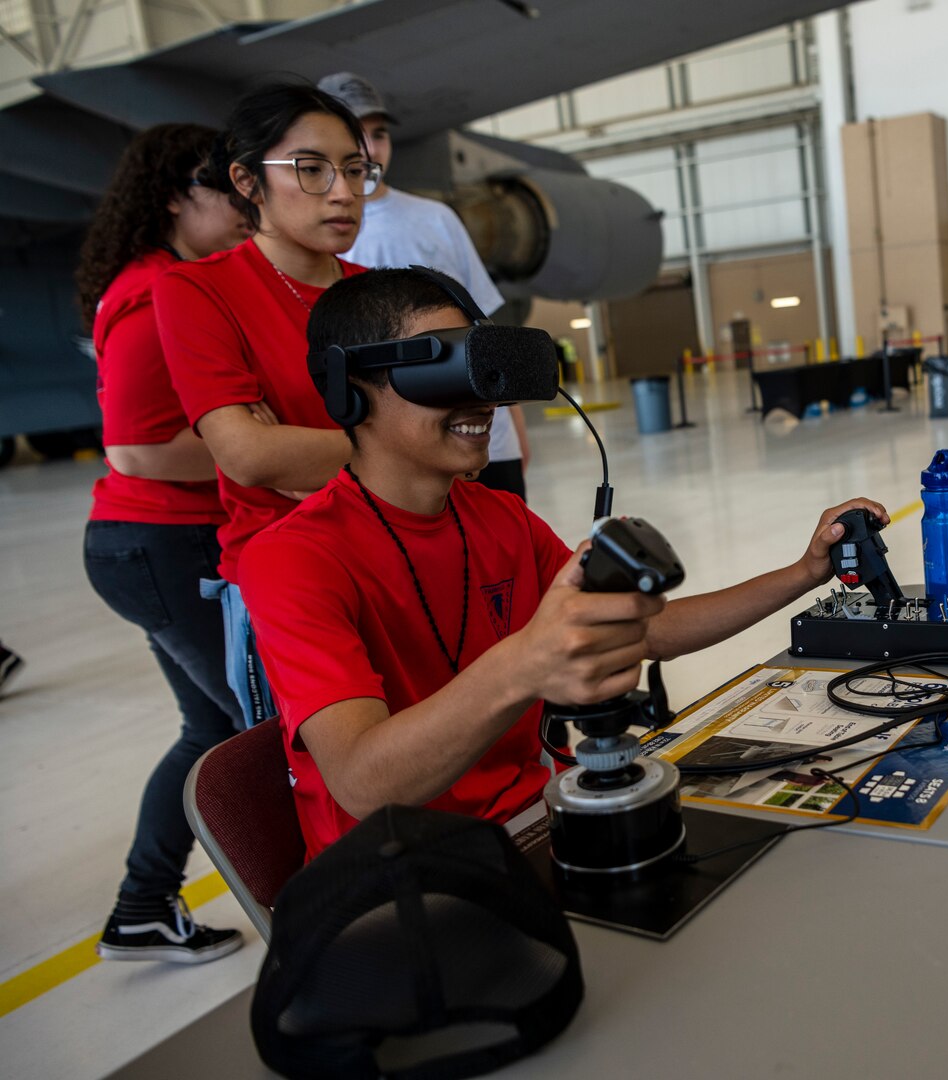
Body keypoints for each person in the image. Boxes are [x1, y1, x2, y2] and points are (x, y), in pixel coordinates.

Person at [236, 268, 888, 859]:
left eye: (484, 369)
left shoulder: (498, 518)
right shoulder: (291, 560)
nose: (482, 401)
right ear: (350, 389)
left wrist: (804, 572)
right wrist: (524, 663)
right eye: (446, 371)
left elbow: (646, 629)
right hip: (405, 878)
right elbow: (364, 782)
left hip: (538, 829)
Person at [75, 124, 255, 962]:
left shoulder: (162, 281)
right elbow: (136, 448)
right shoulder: (156, 294)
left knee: (210, 730)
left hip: (146, 545)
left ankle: (142, 908)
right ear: (178, 196)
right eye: (227, 187)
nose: (245, 201)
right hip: (156, 545)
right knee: (253, 723)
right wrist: (258, 445)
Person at [156, 82, 376, 727]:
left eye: (356, 170)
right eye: (310, 170)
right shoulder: (200, 290)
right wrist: (398, 446)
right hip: (290, 582)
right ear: (248, 182)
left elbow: (459, 444)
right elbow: (248, 455)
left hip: (404, 562)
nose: (343, 191)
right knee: (329, 793)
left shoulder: (386, 296)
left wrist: (305, 451)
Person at [316, 71, 531, 501]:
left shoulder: (435, 218)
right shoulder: (328, 235)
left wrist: (514, 428)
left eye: (379, 134)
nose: (371, 148)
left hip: (481, 434)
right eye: (355, 135)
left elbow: (482, 324)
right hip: (399, 447)